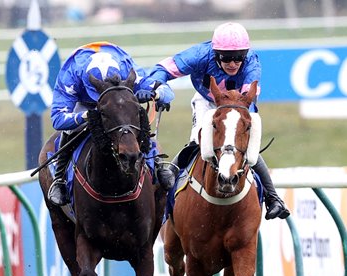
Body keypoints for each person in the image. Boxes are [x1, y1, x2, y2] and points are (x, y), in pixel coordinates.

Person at [144, 22, 290, 220]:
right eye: (227, 57)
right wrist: (158, 86)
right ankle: (170, 182)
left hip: (240, 104)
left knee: (248, 148)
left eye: (238, 57)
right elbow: (164, 68)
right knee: (199, 141)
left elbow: (248, 96)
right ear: (215, 54)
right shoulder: (199, 55)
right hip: (207, 101)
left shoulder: (252, 62)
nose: (233, 63)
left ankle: (273, 199)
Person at [48, 41, 176, 206]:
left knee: (134, 116)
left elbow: (167, 92)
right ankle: (60, 179)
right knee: (72, 129)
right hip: (86, 104)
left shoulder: (126, 68)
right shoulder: (70, 75)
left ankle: (157, 164)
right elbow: (58, 119)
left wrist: (155, 94)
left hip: (118, 99)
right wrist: (86, 115)